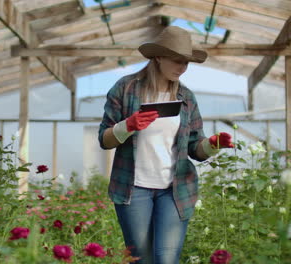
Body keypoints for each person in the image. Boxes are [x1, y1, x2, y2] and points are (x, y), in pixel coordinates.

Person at [98, 26, 234, 264]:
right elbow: (104, 139)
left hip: (175, 190)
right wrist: (127, 125)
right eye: (177, 60)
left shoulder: (186, 97)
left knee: (167, 259)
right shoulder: (126, 88)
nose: (182, 68)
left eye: (187, 63)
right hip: (133, 188)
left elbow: (195, 147)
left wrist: (213, 144)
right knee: (141, 259)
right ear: (158, 56)